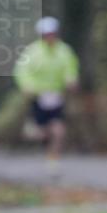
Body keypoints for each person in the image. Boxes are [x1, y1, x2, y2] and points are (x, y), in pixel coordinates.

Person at [14, 17, 79, 170]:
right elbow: (21, 71)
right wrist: (26, 86)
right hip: (38, 96)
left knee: (59, 130)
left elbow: (71, 68)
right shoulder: (32, 52)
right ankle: (34, 130)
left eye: (52, 33)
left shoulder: (64, 51)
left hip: (56, 95)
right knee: (40, 132)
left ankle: (54, 160)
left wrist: (71, 80)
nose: (50, 36)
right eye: (46, 34)